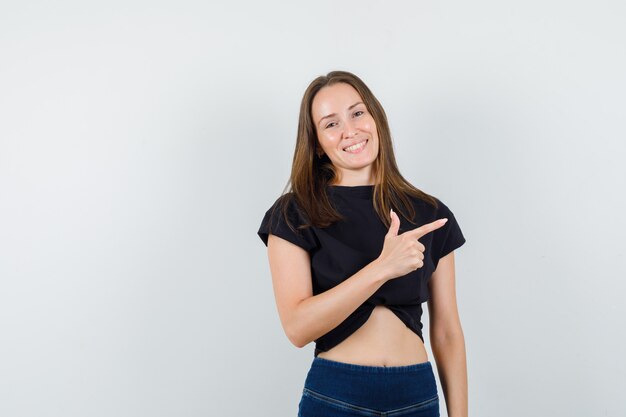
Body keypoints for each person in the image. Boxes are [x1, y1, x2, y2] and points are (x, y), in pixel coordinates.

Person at [257, 70, 468, 417]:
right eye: (330, 124)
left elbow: (447, 332)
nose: (350, 130)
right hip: (337, 395)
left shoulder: (429, 212)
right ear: (317, 144)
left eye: (357, 113)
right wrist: (382, 269)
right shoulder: (294, 213)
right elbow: (297, 327)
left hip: (415, 394)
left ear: (375, 117)